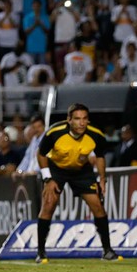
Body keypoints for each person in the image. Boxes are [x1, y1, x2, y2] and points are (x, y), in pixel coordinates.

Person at [35, 103, 119, 263]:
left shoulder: (96, 135)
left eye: (84, 119)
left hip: (81, 170)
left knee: (98, 206)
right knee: (48, 204)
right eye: (77, 119)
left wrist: (102, 179)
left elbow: (100, 156)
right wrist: (48, 179)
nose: (81, 122)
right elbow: (41, 154)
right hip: (56, 169)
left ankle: (108, 251)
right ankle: (41, 253)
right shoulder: (54, 132)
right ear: (69, 120)